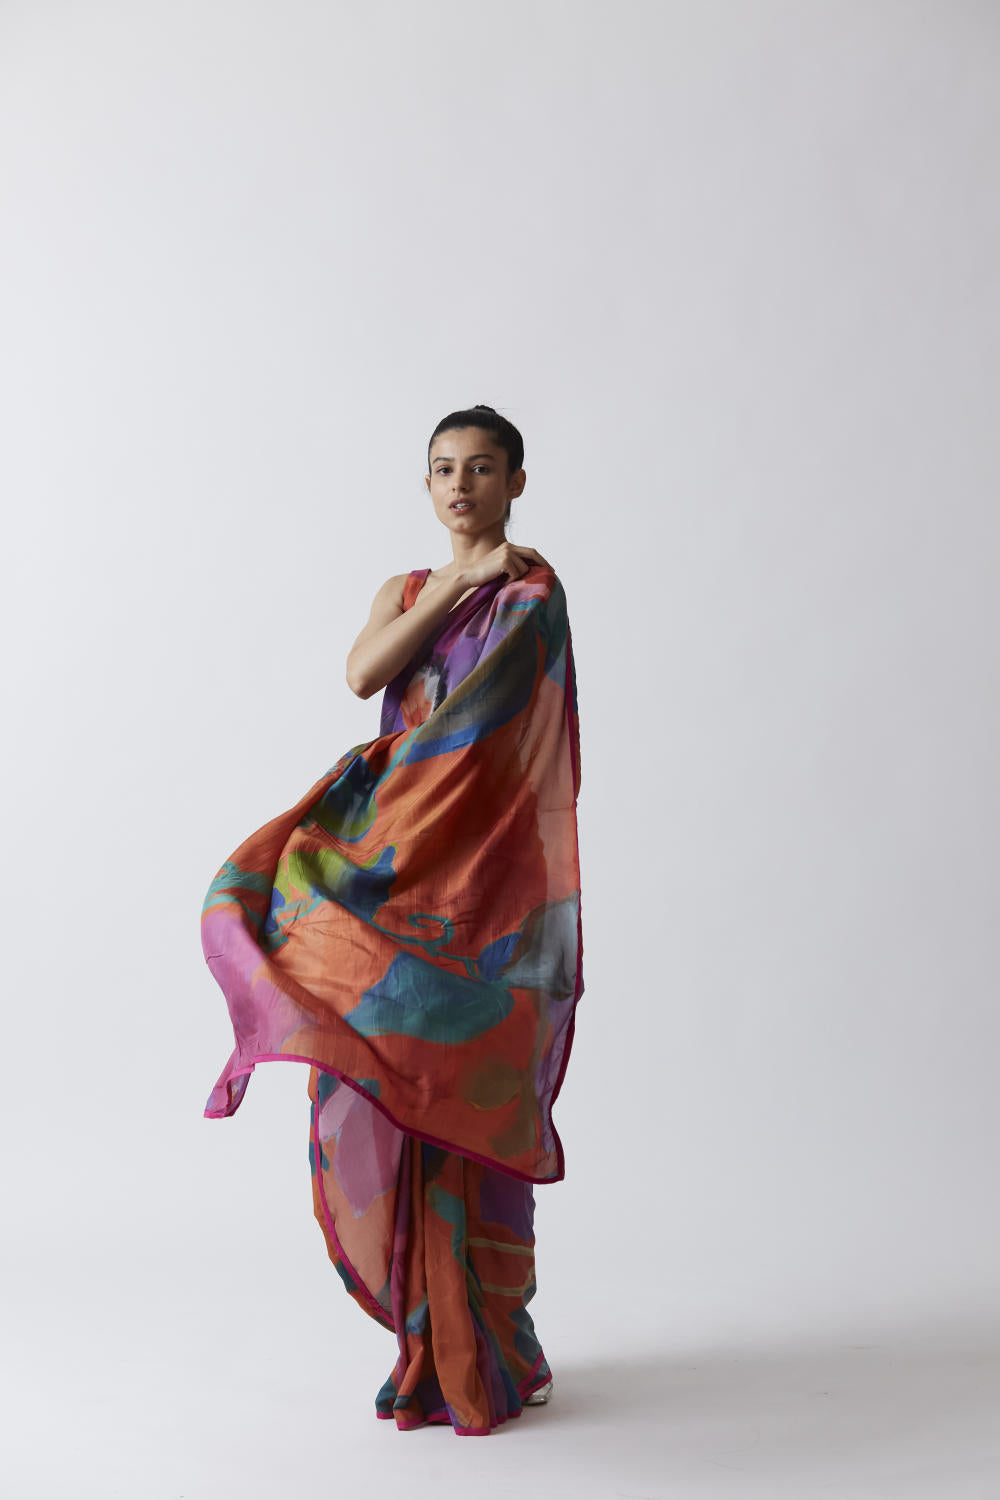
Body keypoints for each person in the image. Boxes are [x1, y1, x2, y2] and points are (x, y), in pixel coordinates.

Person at [201, 404, 583, 1436]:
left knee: (472, 1097)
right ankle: (427, 1345)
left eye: (483, 468)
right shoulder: (410, 590)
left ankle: (493, 1348)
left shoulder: (533, 595)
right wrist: (456, 583)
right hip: (390, 876)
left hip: (483, 895)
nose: (461, 485)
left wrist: (489, 582)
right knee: (383, 1072)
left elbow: (481, 745)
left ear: (516, 482)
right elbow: (365, 675)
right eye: (444, 469)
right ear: (427, 485)